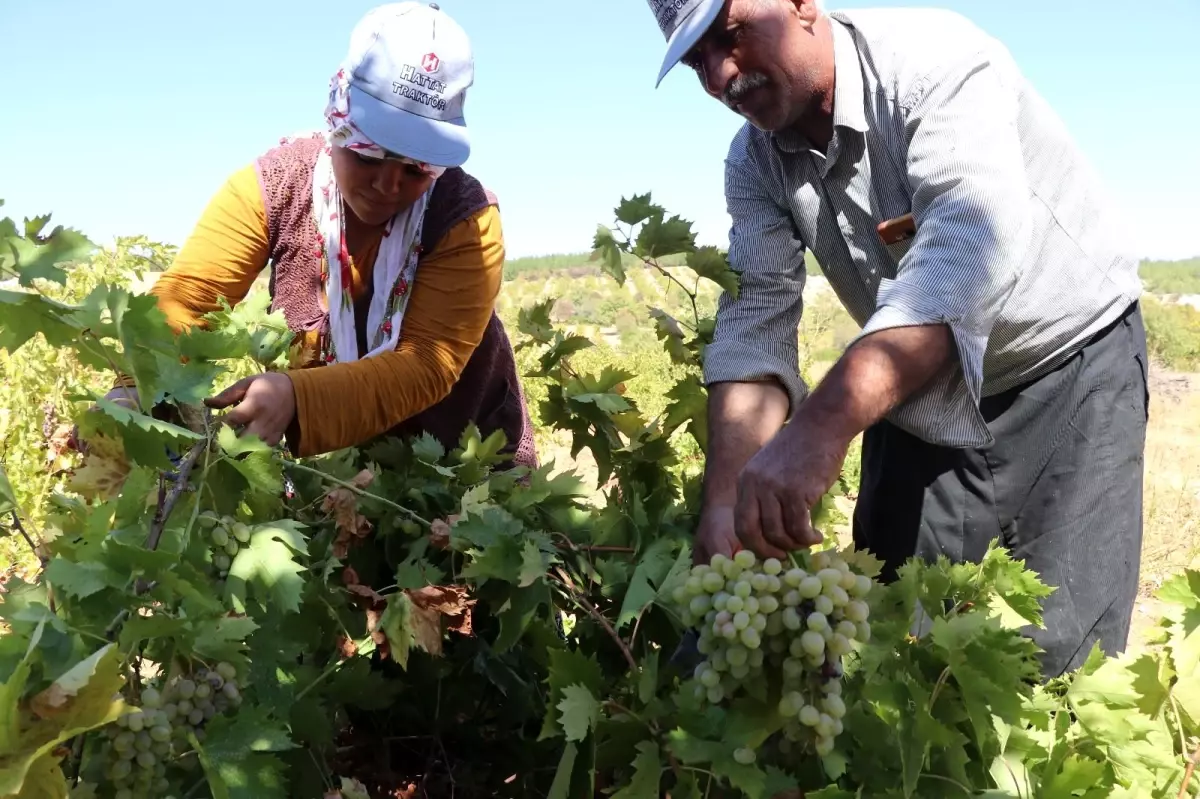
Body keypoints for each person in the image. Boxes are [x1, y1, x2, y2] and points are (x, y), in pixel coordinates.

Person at [644, 0, 1147, 678]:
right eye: (696, 61)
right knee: (894, 637)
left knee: (1062, 657)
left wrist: (819, 426)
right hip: (918, 379)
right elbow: (754, 318)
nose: (721, 75)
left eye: (729, 36)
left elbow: (964, 260)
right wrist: (729, 498)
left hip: (1067, 367)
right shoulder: (753, 163)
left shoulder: (935, 63)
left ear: (801, 5)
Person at [106, 2, 537, 469]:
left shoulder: (467, 221)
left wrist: (297, 398)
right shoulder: (273, 188)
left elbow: (427, 365)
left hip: (462, 468)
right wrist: (133, 388)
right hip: (329, 477)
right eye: (369, 156)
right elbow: (187, 302)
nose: (387, 186)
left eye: (415, 168)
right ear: (338, 122)